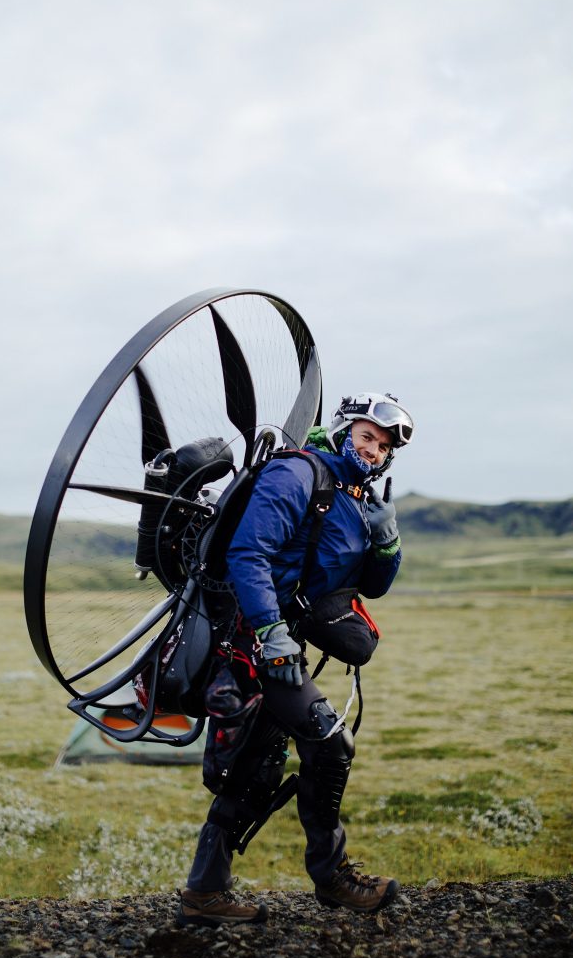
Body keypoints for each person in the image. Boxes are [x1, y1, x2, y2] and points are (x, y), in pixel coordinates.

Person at [177, 392, 414, 927]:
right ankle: (331, 877)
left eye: (382, 447)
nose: (373, 451)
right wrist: (271, 632)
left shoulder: (355, 497)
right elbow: (247, 554)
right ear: (342, 430)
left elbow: (371, 587)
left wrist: (387, 539)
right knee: (332, 747)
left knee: (253, 767)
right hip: (254, 641)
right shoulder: (298, 474)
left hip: (280, 644)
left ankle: (204, 894)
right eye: (366, 437)